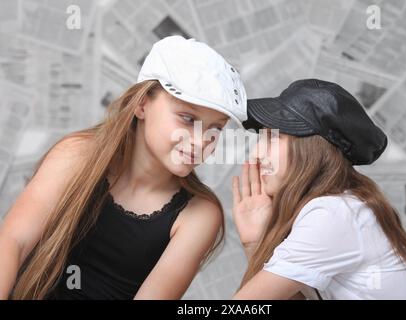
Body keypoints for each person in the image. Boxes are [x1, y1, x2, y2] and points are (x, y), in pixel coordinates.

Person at [0, 36, 247, 300]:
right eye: (187, 119)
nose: (201, 140)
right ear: (142, 104)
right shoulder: (77, 155)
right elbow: (13, 242)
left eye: (215, 128)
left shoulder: (198, 215)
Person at [231, 79, 406, 300]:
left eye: (272, 138)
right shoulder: (344, 207)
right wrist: (256, 242)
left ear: (312, 149)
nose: (256, 154)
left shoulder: (333, 213)